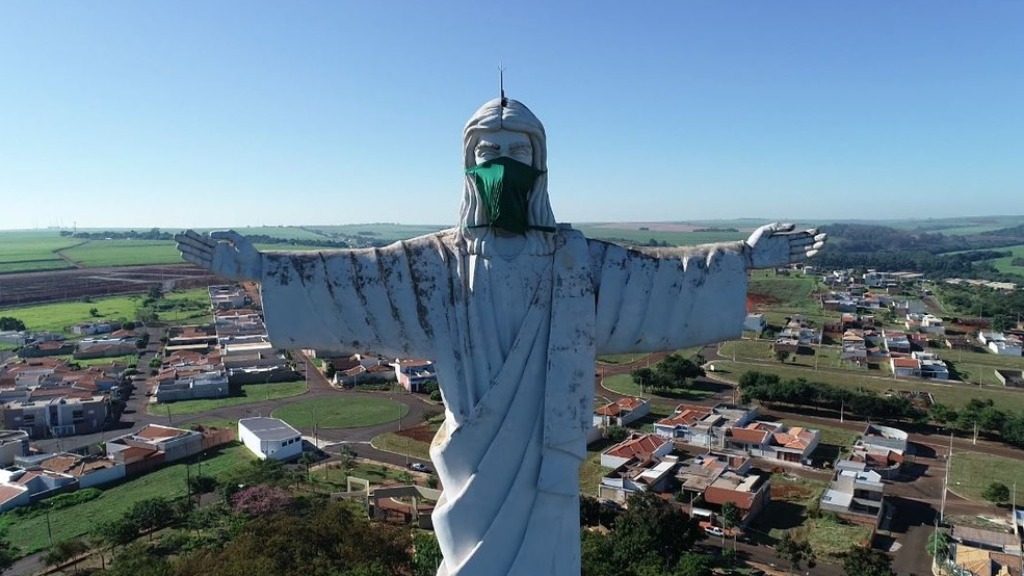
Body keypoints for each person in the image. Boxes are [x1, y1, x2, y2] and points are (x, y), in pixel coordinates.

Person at [177, 97, 825, 576]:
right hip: (473, 453)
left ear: (539, 167)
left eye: (517, 156)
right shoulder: (431, 263)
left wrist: (742, 258)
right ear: (468, 168)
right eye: (489, 156)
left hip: (548, 455)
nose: (503, 170)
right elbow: (354, 284)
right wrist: (264, 271)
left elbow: (659, 284)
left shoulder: (577, 260)